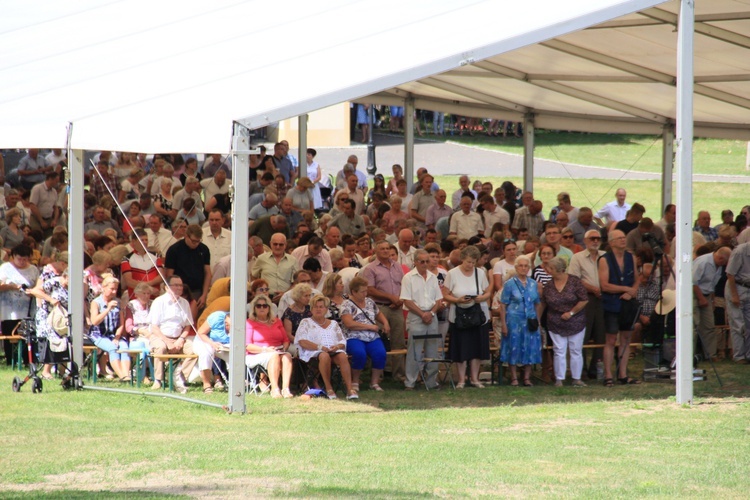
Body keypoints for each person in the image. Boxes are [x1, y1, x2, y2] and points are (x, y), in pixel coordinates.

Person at [443, 245, 492, 388]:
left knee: (477, 348)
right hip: (459, 316)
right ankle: (461, 379)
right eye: (468, 262)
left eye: (473, 262)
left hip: (477, 315)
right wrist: (458, 300)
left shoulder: (480, 273)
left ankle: (475, 378)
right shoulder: (452, 273)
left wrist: (481, 298)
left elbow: (488, 292)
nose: (470, 265)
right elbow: (445, 294)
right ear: (462, 259)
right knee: (461, 348)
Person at [598, 229, 641, 386]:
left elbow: (637, 279)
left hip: (628, 303)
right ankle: (608, 375)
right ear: (611, 242)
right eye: (620, 238)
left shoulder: (631, 257)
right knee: (610, 339)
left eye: (624, 237)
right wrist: (625, 289)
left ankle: (623, 374)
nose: (623, 240)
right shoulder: (604, 260)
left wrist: (632, 291)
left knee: (626, 339)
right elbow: (604, 285)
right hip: (612, 303)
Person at [295, 295, 357, 400]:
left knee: (342, 356)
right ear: (311, 309)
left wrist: (336, 346)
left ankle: (350, 389)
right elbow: (302, 341)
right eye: (316, 307)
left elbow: (342, 341)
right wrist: (320, 347)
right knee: (324, 356)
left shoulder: (333, 323)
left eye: (321, 307)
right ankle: (329, 388)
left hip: (333, 351)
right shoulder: (305, 322)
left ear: (326, 309)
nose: (318, 309)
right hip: (313, 353)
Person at [362, 240, 406, 382]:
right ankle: (378, 375)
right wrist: (390, 297)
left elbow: (404, 285)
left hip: (397, 308)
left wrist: (399, 299)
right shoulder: (370, 269)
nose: (386, 251)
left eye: (388, 248)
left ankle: (398, 375)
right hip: (379, 307)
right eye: (382, 249)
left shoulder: (397, 267)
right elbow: (370, 289)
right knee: (378, 340)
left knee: (398, 341)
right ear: (375, 251)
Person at [543, 257, 589, 387]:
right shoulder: (548, 285)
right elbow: (544, 303)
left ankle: (576, 378)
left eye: (550, 268)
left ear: (558, 269)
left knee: (575, 349)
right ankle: (559, 379)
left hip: (576, 320)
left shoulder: (575, 281)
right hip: (555, 321)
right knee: (559, 349)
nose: (547, 270)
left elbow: (584, 300)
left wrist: (571, 312)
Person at [400, 250, 443, 390]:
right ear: (415, 262)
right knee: (414, 350)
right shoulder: (408, 277)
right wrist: (422, 314)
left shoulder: (433, 277)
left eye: (427, 261)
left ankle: (431, 382)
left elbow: (439, 299)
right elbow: (407, 300)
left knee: (432, 350)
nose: (425, 264)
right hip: (416, 316)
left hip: (432, 315)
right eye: (422, 261)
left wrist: (430, 313)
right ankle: (410, 382)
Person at [498, 256, 542, 386]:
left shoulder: (533, 283)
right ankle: (514, 378)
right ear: (516, 268)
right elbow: (502, 305)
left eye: (526, 266)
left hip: (530, 320)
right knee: (513, 347)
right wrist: (504, 324)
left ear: (529, 268)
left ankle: (527, 378)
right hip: (514, 320)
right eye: (520, 266)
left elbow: (537, 303)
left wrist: (538, 321)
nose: (523, 268)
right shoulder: (509, 284)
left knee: (530, 346)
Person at [568, 229, 606, 379]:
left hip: (604, 299)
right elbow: (574, 279)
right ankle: (581, 370)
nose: (595, 241)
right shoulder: (577, 258)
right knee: (582, 335)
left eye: (598, 238)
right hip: (585, 299)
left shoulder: (605, 256)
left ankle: (596, 369)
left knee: (601, 335)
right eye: (592, 238)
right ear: (585, 241)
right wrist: (593, 289)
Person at [148, 275, 197, 393]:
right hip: (160, 336)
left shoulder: (184, 303)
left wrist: (181, 339)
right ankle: (158, 380)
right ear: (167, 287)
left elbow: (187, 325)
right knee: (161, 347)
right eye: (176, 285)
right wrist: (167, 341)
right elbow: (154, 327)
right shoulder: (159, 302)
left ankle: (178, 375)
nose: (179, 288)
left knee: (194, 350)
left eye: (181, 285)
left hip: (178, 337)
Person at [341, 276, 389, 393]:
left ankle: (374, 382)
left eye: (366, 291)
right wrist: (369, 326)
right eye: (363, 291)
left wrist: (385, 323)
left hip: (372, 336)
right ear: (354, 292)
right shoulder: (346, 305)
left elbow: (378, 313)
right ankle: (355, 381)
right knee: (359, 353)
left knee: (380, 353)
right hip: (354, 336)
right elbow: (349, 323)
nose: (365, 293)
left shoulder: (369, 301)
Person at [245, 294, 294, 398]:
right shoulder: (250, 323)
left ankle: (286, 389)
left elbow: (285, 340)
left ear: (269, 308)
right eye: (258, 306)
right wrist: (265, 350)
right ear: (254, 308)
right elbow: (248, 346)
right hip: (257, 354)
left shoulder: (277, 321)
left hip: (277, 350)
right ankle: (275, 389)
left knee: (287, 356)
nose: (262, 308)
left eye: (265, 305)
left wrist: (284, 348)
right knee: (274, 355)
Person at [31, 251, 68, 379]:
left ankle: (63, 370)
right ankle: (46, 370)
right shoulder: (49, 273)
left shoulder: (67, 278)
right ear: (63, 263)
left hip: (62, 315)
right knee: (53, 336)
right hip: (47, 312)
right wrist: (49, 300)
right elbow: (36, 291)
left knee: (67, 336)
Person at [89, 275, 132, 381]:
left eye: (116, 289)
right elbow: (94, 321)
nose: (114, 292)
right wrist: (107, 309)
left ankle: (126, 375)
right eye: (111, 289)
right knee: (112, 348)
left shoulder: (118, 302)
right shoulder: (96, 303)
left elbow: (121, 324)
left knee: (124, 347)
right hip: (98, 334)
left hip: (113, 334)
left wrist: (117, 338)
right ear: (103, 288)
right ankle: (123, 376)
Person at [164, 224, 211, 308]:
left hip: (198, 291)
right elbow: (169, 274)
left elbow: (207, 272)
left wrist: (204, 294)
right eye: (193, 241)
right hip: (180, 291)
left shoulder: (204, 249)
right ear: (186, 235)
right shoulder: (174, 250)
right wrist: (174, 293)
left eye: (198, 241)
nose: (196, 244)